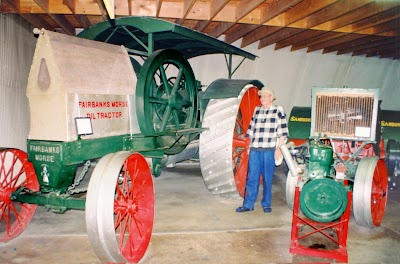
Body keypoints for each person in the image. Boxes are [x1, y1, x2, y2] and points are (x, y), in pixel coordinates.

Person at [236, 87, 288, 213]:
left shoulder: (278, 110)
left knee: (267, 178)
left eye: (265, 96)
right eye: (261, 96)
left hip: (269, 150)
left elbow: (283, 133)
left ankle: (266, 204)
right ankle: (248, 204)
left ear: (271, 97)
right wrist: (248, 146)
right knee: (252, 177)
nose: (262, 99)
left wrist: (279, 150)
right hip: (255, 150)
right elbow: (250, 130)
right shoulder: (257, 110)